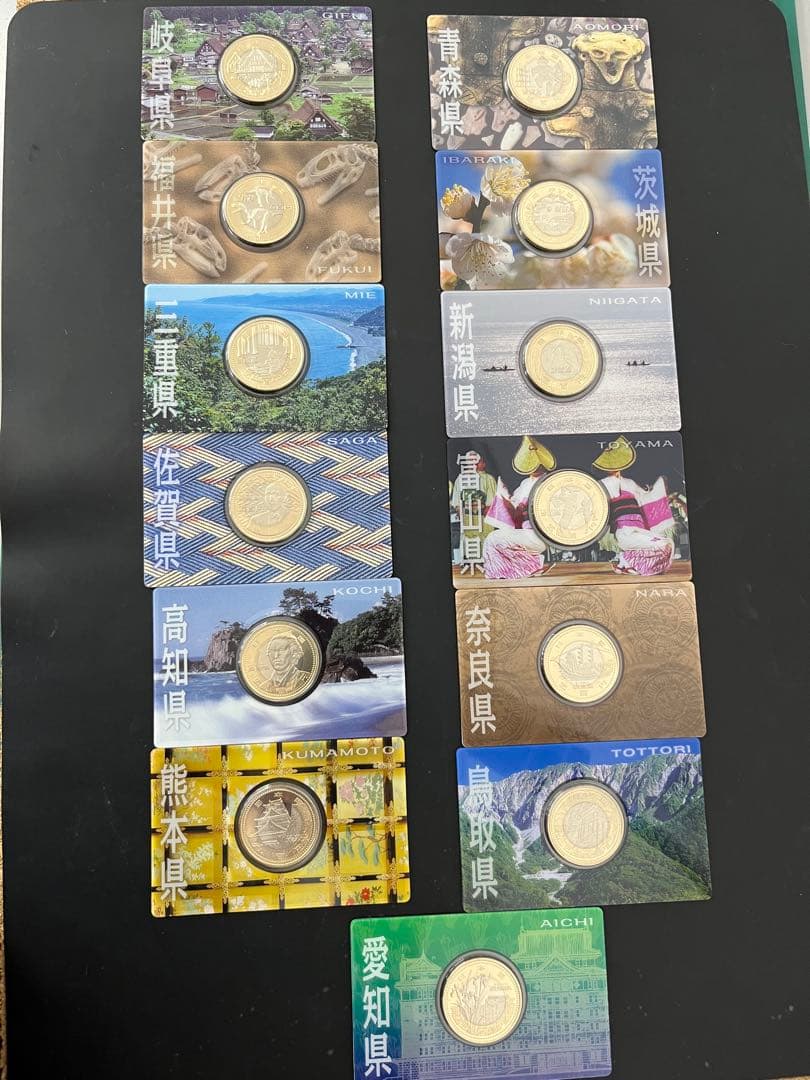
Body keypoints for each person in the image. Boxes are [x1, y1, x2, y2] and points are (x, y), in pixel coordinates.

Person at [592, 435, 676, 576]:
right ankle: (626, 560)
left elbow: (646, 498)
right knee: (664, 545)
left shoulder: (629, 483)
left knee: (668, 544)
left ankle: (625, 563)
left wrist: (660, 484)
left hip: (638, 532)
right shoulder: (605, 483)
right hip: (625, 532)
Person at [482, 436, 556, 579]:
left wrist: (507, 501)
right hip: (527, 533)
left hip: (536, 535)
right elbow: (515, 511)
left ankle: (534, 564)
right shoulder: (526, 483)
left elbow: (520, 512)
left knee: (493, 539)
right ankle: (524, 568)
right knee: (493, 539)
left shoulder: (547, 482)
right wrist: (505, 499)